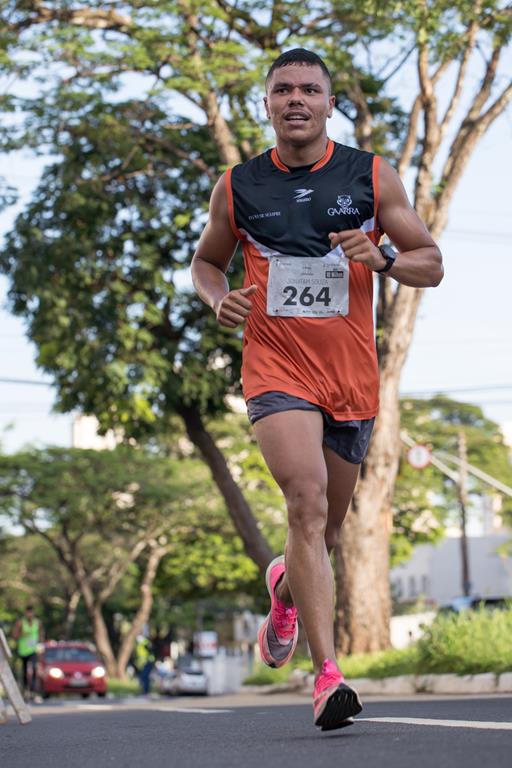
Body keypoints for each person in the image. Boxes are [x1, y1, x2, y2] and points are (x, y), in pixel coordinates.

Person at [191, 48, 443, 731]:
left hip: (350, 376)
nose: (296, 99)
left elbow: (430, 264)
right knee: (304, 500)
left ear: (330, 104)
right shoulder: (237, 186)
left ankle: (285, 589)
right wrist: (217, 299)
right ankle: (327, 675)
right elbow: (207, 262)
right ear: (267, 105)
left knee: (326, 529)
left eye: (309, 89)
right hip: (276, 367)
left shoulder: (371, 175)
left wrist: (383, 257)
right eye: (283, 90)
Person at [12, 605, 44, 699]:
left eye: (31, 613)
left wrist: (40, 645)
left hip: (33, 649)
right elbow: (14, 636)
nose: (29, 614)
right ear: (25, 613)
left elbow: (40, 634)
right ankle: (25, 689)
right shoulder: (20, 623)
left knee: (34, 667)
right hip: (23, 650)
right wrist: (21, 634)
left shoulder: (37, 622)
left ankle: (33, 690)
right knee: (24, 670)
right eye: (28, 613)